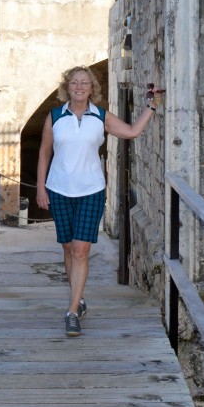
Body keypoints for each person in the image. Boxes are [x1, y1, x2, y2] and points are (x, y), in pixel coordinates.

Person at [36, 65, 163, 337]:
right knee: (69, 248)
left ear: (92, 87)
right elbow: (44, 153)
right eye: (74, 83)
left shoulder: (100, 116)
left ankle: (72, 312)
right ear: (66, 88)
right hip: (59, 190)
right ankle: (78, 297)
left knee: (81, 250)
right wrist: (41, 188)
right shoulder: (55, 116)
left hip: (91, 191)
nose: (79, 87)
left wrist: (151, 107)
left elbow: (131, 132)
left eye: (85, 83)